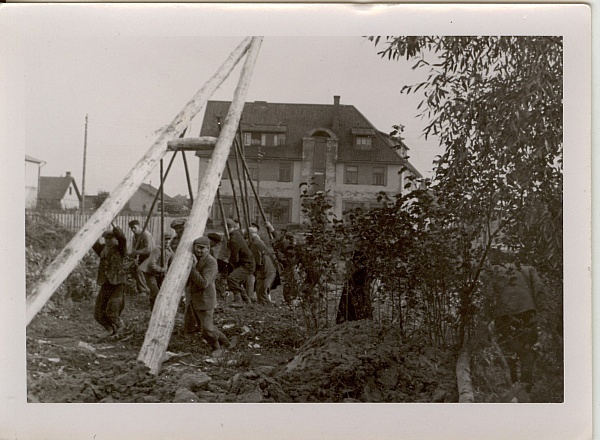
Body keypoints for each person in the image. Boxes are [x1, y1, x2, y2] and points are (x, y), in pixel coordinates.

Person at [485, 249, 544, 392]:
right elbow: (539, 289)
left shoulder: (494, 270)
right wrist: (538, 312)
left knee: (507, 348)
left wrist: (488, 316)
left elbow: (488, 294)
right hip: (527, 313)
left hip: (505, 314)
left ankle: (513, 386)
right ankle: (526, 385)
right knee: (526, 349)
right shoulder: (528, 269)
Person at [187, 237, 231, 357]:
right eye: (197, 247)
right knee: (205, 325)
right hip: (194, 299)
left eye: (202, 248)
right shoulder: (197, 258)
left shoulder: (211, 262)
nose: (199, 250)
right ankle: (226, 342)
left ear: (208, 248)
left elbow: (204, 283)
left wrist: (192, 268)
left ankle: (216, 347)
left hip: (205, 299)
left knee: (206, 328)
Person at [92, 225, 128, 338]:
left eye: (110, 238)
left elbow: (123, 238)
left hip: (118, 283)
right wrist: (98, 228)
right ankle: (109, 329)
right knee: (98, 313)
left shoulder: (120, 249)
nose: (107, 241)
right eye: (106, 239)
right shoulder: (102, 249)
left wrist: (115, 227)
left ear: (115, 239)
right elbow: (93, 242)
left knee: (112, 310)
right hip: (105, 283)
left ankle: (121, 328)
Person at [138, 231, 174, 310]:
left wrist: (167, 272)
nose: (167, 241)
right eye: (165, 239)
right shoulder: (157, 250)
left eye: (169, 239)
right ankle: (154, 309)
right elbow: (151, 265)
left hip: (160, 275)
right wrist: (162, 270)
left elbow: (171, 263)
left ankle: (156, 307)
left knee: (160, 292)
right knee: (155, 293)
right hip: (151, 274)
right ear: (162, 240)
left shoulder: (170, 251)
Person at [226, 218, 255, 305]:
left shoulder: (234, 239)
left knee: (232, 279)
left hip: (247, 264)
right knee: (235, 279)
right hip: (246, 263)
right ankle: (246, 300)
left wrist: (233, 264)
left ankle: (239, 300)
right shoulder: (237, 234)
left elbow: (234, 256)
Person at [248, 226, 278, 305]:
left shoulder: (255, 244)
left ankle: (265, 303)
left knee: (262, 288)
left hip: (265, 268)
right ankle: (264, 302)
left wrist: (254, 269)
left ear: (250, 235)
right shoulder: (260, 242)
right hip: (269, 267)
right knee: (262, 287)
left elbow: (257, 260)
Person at [128, 220, 154, 295]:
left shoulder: (146, 234)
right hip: (142, 257)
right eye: (131, 228)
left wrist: (135, 252)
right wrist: (133, 257)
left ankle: (144, 290)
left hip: (151, 256)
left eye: (134, 228)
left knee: (139, 269)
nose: (133, 230)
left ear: (139, 226)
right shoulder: (134, 236)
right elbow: (134, 249)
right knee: (132, 267)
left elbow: (148, 249)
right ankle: (137, 288)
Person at [208, 232, 229, 300]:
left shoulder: (210, 250)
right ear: (211, 241)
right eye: (216, 242)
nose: (216, 245)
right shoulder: (208, 250)